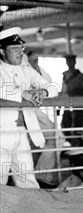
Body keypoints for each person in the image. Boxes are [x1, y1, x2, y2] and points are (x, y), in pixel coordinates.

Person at [0, 27, 59, 188]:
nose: (19, 53)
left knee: (28, 181)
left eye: (21, 48)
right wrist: (25, 94)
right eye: (14, 49)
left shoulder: (26, 70)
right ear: (2, 51)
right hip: (1, 134)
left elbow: (52, 87)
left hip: (22, 132)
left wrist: (43, 91)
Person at [61, 54, 83, 147]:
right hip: (67, 105)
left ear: (75, 62)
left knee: (77, 126)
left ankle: (78, 145)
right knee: (65, 126)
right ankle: (70, 144)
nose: (69, 63)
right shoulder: (64, 75)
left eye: (71, 61)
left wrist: (80, 90)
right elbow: (64, 90)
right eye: (68, 61)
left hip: (78, 105)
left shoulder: (81, 76)